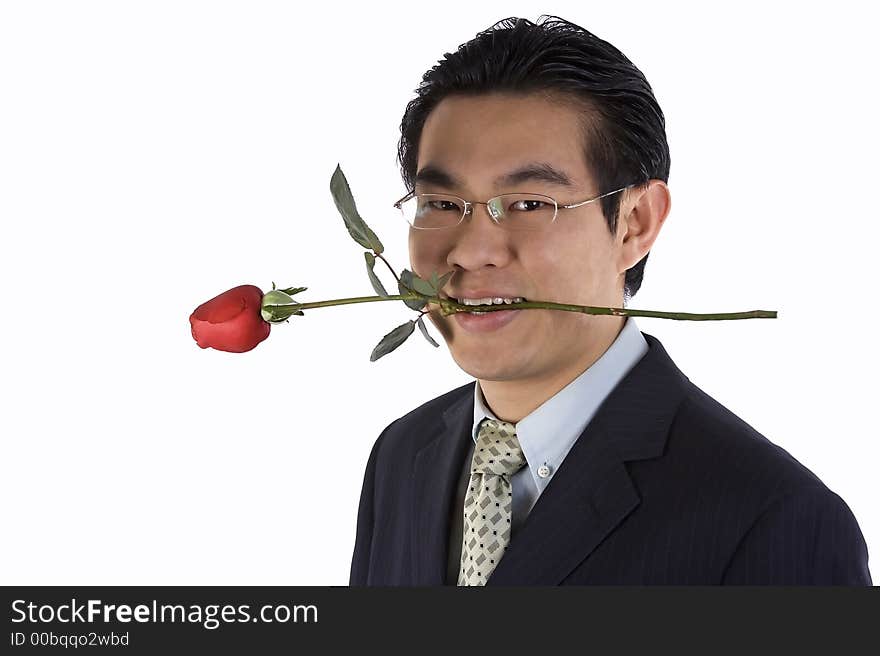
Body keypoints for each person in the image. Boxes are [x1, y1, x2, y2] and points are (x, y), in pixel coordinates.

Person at [349, 15, 871, 585]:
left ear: (634, 223)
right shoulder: (403, 457)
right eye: (442, 205)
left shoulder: (776, 518)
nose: (471, 252)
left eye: (527, 204)